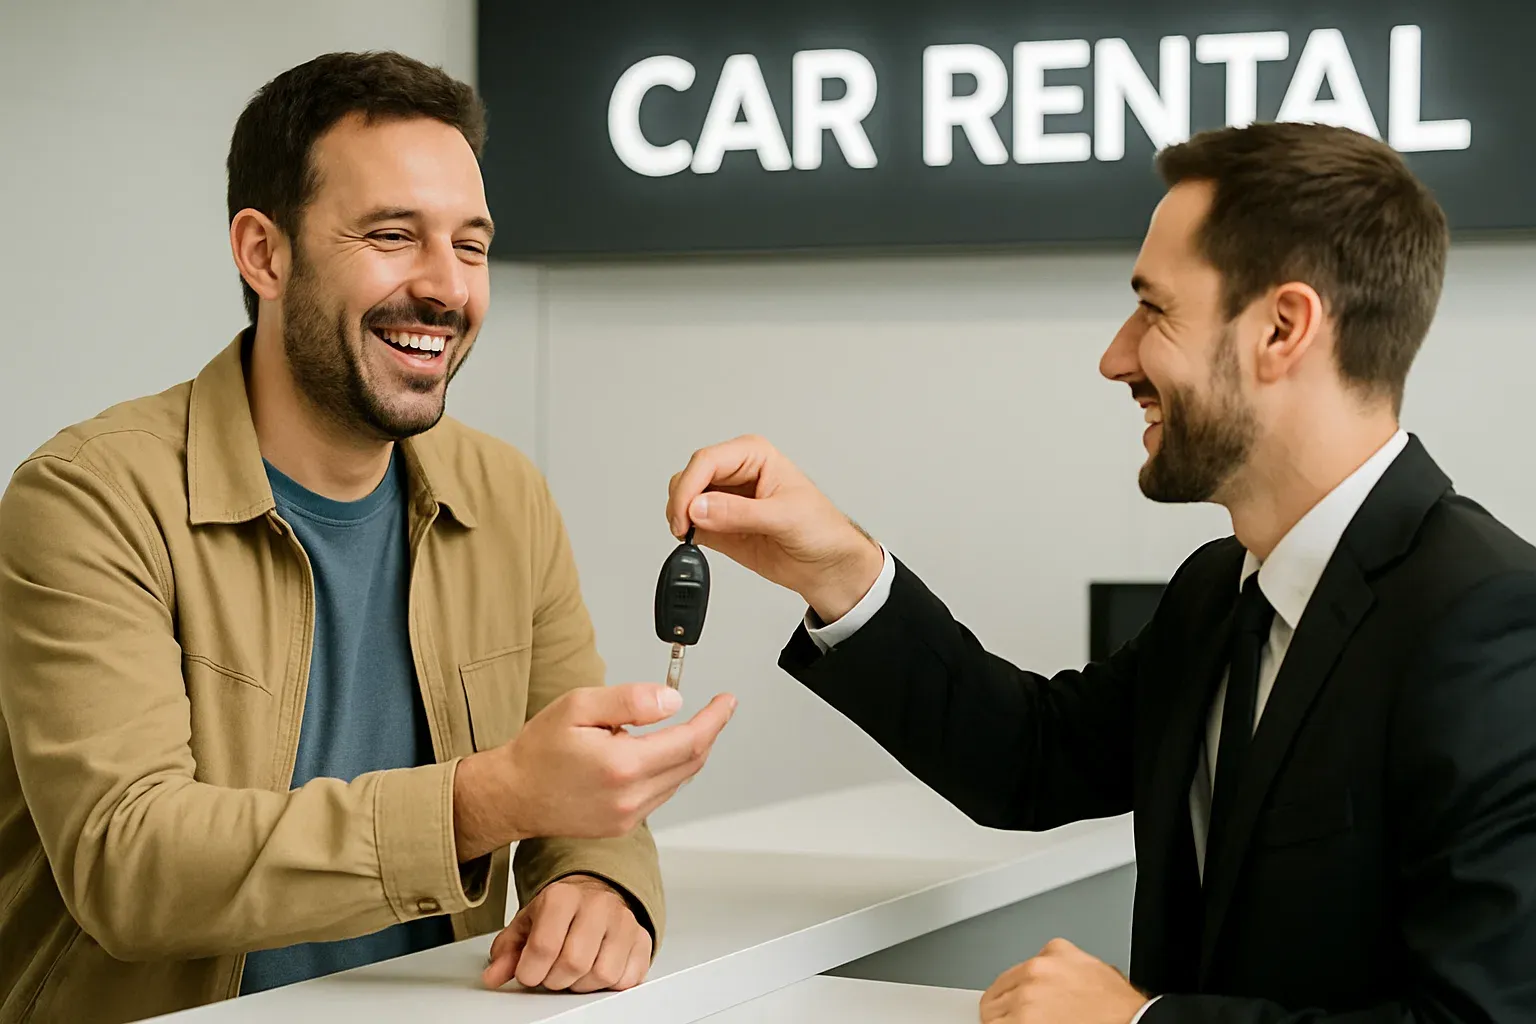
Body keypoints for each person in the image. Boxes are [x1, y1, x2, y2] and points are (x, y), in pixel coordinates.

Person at [665, 121, 1536, 1022]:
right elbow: (1029, 758)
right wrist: (840, 567)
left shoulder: (1495, 625)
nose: (1116, 357)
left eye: (1154, 310)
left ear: (1284, 327)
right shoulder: (1216, 594)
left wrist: (1136, 1023)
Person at [0, 51, 735, 1024]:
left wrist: (600, 882)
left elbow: (572, 788)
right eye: (393, 235)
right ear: (264, 253)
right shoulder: (88, 497)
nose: (446, 287)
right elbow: (129, 862)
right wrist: (482, 802)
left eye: (470, 246)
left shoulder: (506, 495)